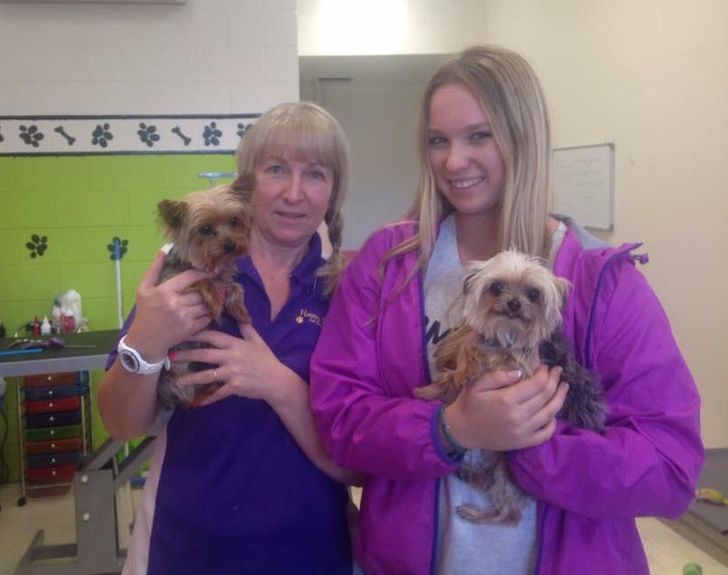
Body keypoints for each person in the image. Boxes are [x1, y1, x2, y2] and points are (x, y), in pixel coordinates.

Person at [308, 45, 703, 575]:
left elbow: (669, 468)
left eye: (479, 135)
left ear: (523, 136)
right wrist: (451, 428)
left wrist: (529, 443)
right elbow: (340, 419)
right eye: (437, 141)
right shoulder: (387, 265)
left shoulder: (601, 283)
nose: (453, 161)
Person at [97, 101, 359, 575]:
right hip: (186, 550)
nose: (294, 193)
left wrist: (276, 383)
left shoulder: (348, 290)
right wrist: (143, 344)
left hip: (312, 553)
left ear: (334, 190)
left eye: (316, 174)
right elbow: (120, 424)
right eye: (276, 169)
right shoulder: (184, 281)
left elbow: (361, 464)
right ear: (246, 182)